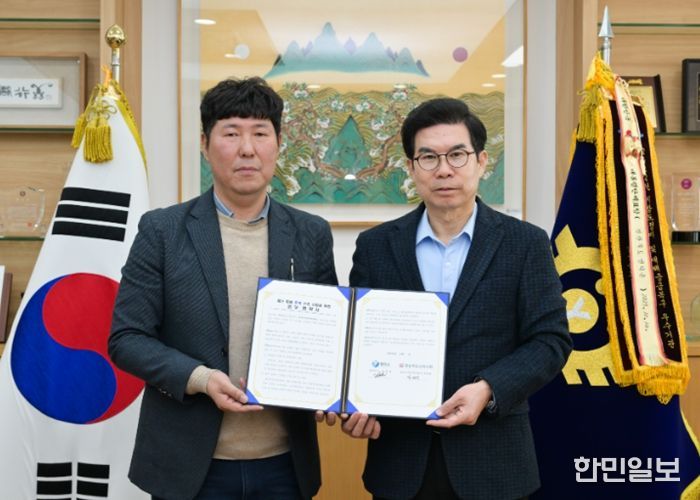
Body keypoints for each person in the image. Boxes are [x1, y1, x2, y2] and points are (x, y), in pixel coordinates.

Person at [109, 77, 338, 500]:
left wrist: (337, 389)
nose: (247, 149)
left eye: (260, 133)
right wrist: (200, 378)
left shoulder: (311, 234)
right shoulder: (163, 231)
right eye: (231, 133)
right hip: (189, 466)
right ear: (205, 143)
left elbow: (329, 337)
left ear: (279, 143)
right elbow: (127, 338)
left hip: (285, 464)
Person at [339, 97, 572, 499]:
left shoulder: (525, 244)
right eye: (428, 157)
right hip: (400, 462)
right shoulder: (376, 246)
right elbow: (357, 343)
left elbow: (551, 340)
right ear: (411, 168)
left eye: (457, 155)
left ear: (481, 161)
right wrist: (352, 404)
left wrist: (488, 388)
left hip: (494, 461)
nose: (444, 169)